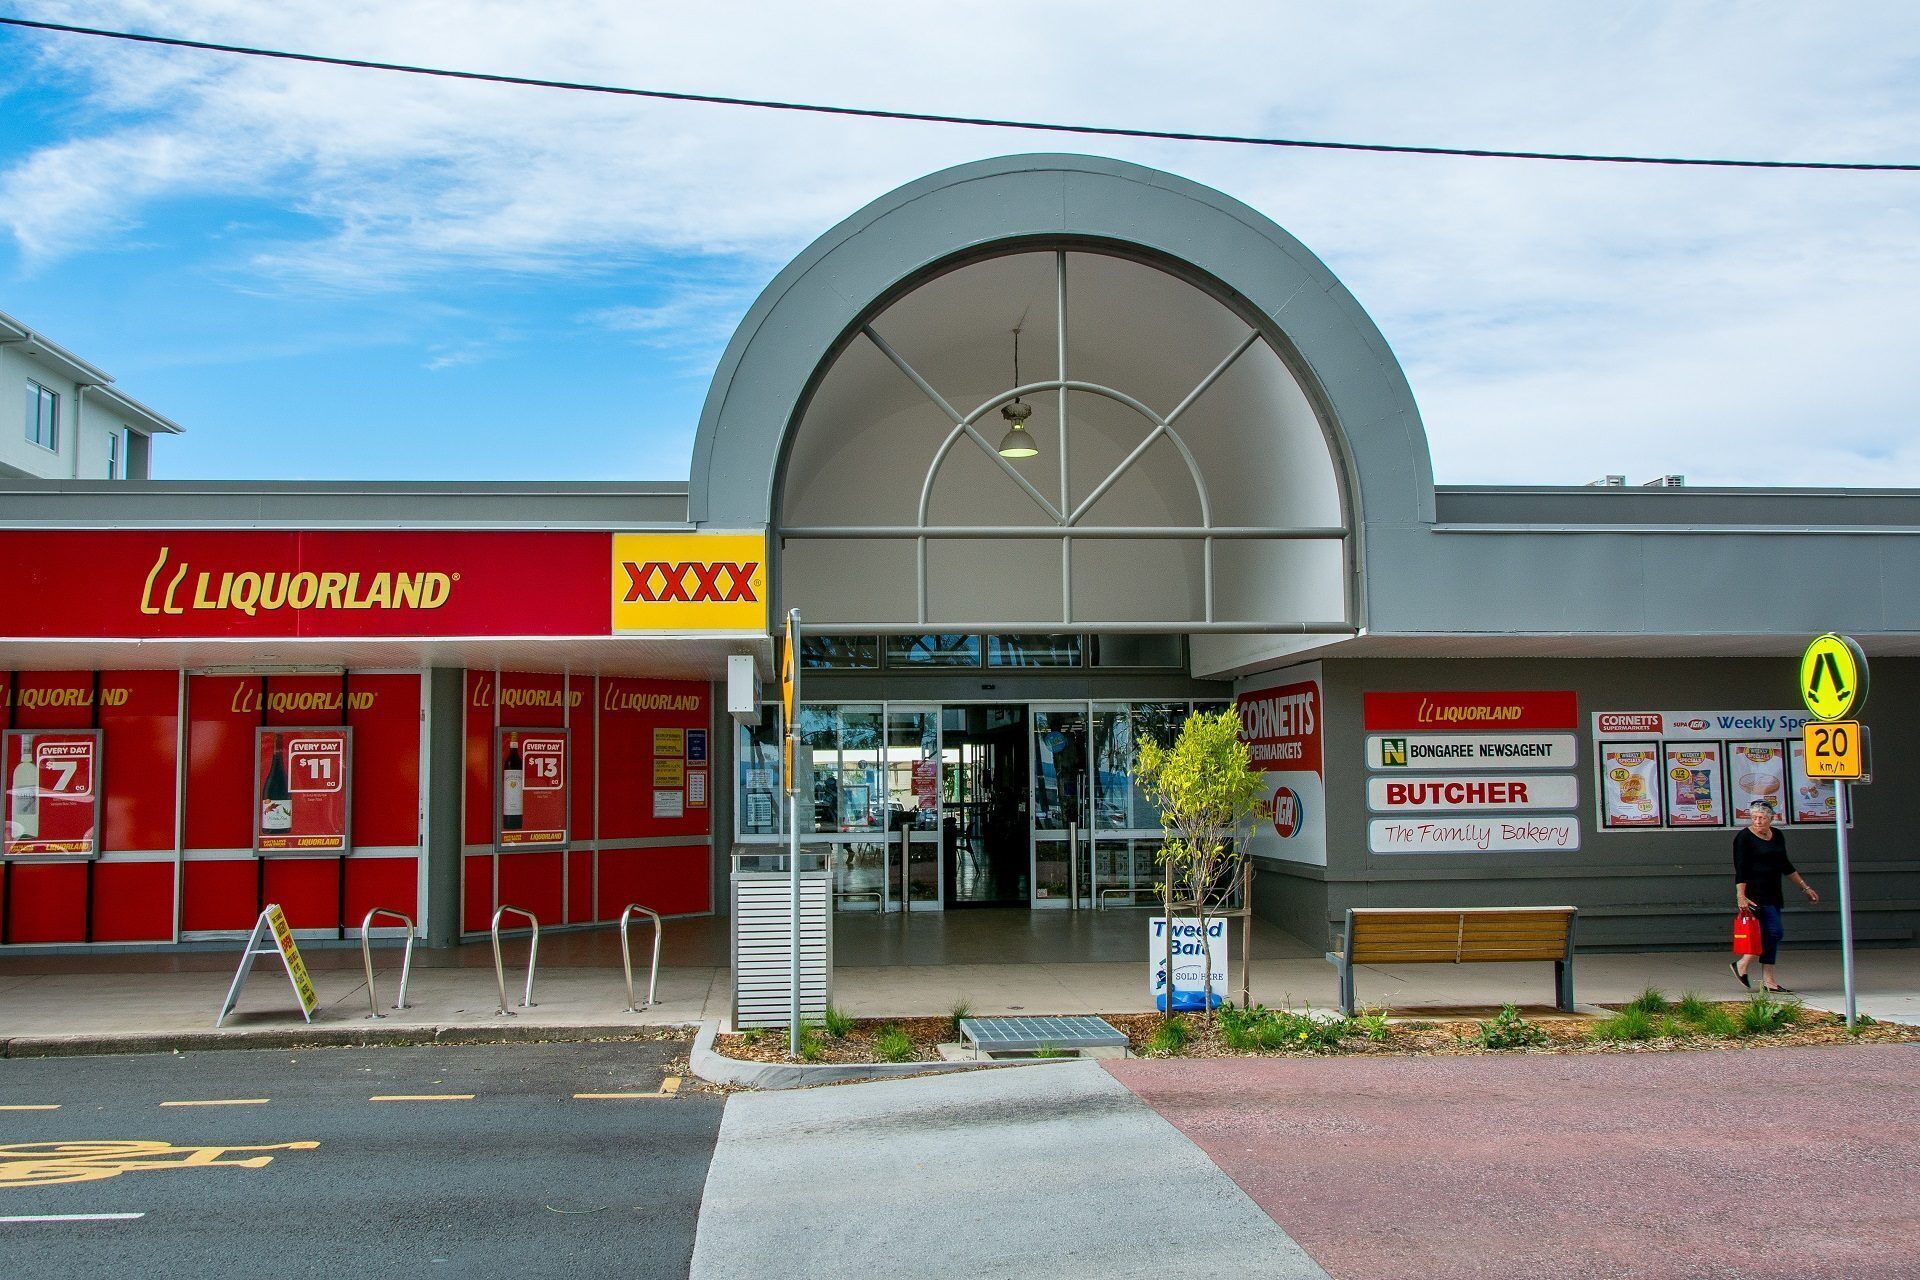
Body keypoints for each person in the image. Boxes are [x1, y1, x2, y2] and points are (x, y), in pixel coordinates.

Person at [1731, 799, 1819, 993]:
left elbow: (1785, 865)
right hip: (1754, 893)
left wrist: (1805, 888)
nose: (1758, 821)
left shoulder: (1777, 836)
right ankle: (1743, 963)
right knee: (1773, 932)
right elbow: (1741, 868)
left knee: (1771, 935)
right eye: (1754, 817)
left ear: (1771, 818)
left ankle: (1768, 979)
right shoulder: (1744, 838)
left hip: (1773, 891)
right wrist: (1741, 895)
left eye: (1762, 817)